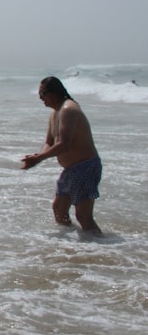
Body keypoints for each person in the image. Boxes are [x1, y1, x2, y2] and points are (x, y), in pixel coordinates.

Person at [21, 76, 102, 234]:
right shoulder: (54, 113)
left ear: (53, 93)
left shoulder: (69, 109)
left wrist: (38, 159)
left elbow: (64, 144)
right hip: (71, 170)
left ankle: (103, 247)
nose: (40, 98)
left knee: (83, 216)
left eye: (42, 94)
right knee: (59, 210)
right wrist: (37, 156)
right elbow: (49, 142)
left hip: (85, 167)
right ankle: (79, 246)